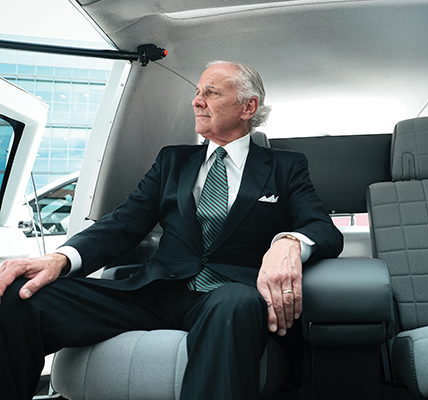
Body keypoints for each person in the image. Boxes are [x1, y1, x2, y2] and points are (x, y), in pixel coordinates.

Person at [0, 60, 343, 400]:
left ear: (247, 107)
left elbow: (321, 227)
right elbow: (124, 223)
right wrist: (59, 260)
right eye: (196, 92)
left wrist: (289, 242)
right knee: (21, 295)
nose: (197, 100)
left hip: (230, 297)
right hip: (156, 293)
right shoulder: (172, 161)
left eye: (211, 92)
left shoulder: (286, 167)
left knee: (234, 302)